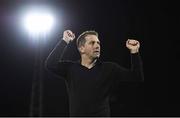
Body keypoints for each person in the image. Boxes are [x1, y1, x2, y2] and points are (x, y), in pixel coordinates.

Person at [45, 30, 144, 116]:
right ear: (81, 48)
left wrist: (134, 52)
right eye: (92, 43)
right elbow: (50, 64)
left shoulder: (109, 68)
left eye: (98, 43)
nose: (97, 45)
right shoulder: (70, 68)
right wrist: (64, 41)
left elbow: (136, 76)